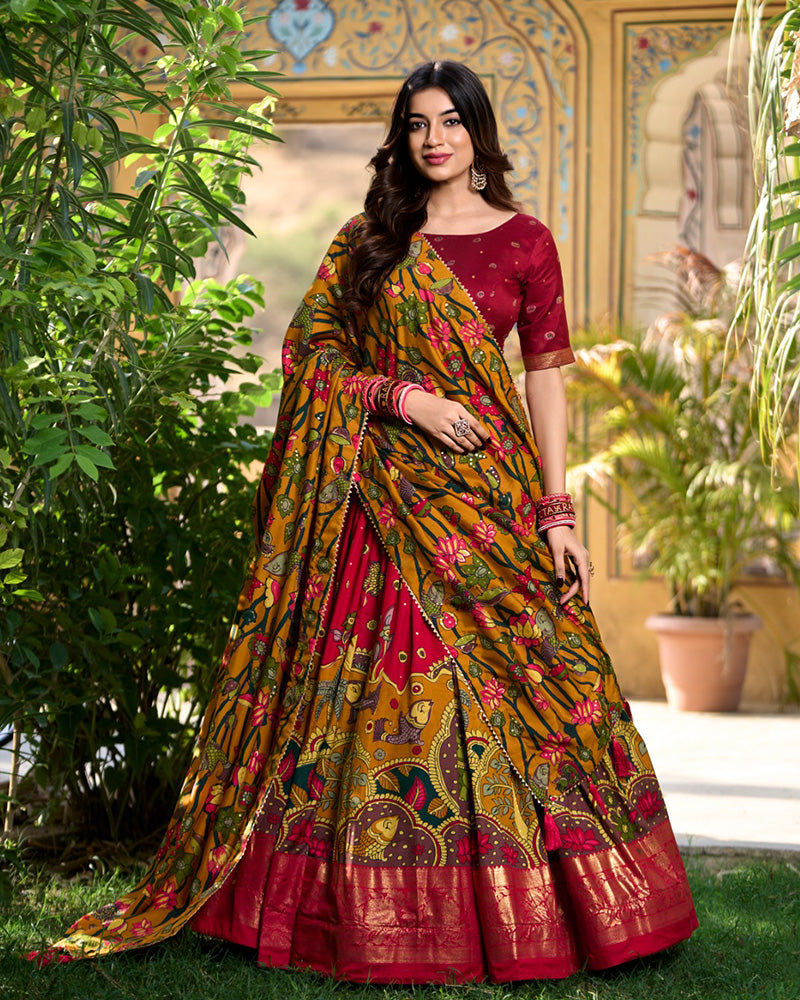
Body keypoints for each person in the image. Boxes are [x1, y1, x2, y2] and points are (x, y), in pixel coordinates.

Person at [40, 60, 697, 982]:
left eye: (451, 122)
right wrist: (399, 398)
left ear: (478, 134)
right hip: (381, 498)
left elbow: (545, 377)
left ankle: (571, 908)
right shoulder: (369, 240)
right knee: (384, 695)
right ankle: (358, 912)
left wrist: (557, 512)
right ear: (402, 137)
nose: (434, 139)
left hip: (493, 498)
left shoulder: (526, 242)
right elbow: (310, 352)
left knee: (547, 683)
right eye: (418, 123)